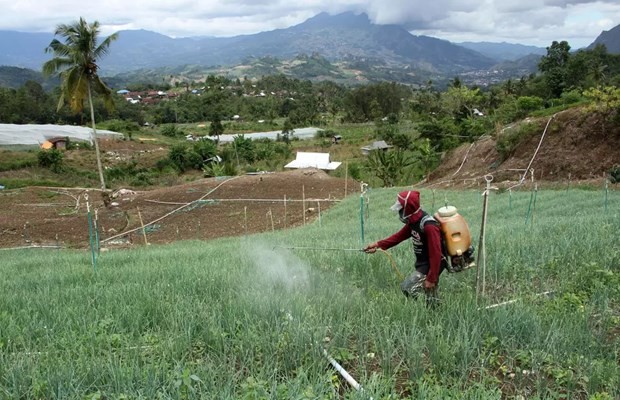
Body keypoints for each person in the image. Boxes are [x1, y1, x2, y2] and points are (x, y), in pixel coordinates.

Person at [364, 190, 446, 304]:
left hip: (433, 262)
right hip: (424, 262)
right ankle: (434, 310)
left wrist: (432, 278)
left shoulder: (429, 226)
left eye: (401, 208)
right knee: (429, 292)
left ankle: (425, 308)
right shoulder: (413, 222)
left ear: (408, 208)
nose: (400, 211)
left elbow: (436, 254)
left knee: (407, 287)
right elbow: (398, 237)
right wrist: (378, 245)